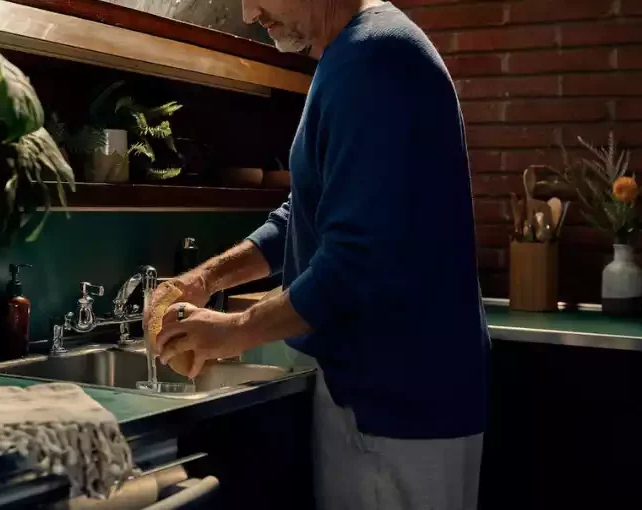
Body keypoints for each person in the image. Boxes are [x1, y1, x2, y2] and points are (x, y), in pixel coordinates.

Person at [149, 0, 489, 508]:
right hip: (378, 393)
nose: (248, 14)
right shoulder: (355, 53)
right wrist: (208, 279)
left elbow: (357, 258)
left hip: (397, 403)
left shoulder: (376, 60)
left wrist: (232, 331)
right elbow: (305, 212)